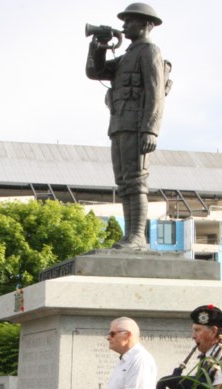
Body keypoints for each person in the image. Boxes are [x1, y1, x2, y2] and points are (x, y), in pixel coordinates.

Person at [86, 3, 168, 250]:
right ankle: (130, 235)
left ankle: (138, 236)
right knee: (124, 183)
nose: (124, 26)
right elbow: (95, 71)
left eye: (130, 21)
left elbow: (156, 93)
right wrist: (98, 46)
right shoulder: (128, 56)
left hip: (137, 127)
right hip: (120, 125)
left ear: (146, 24)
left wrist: (151, 129)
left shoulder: (150, 51)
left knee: (136, 181)